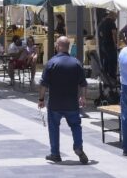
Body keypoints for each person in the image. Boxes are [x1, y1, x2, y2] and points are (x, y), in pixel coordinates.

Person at [38, 36, 89, 164]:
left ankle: (55, 154)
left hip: (55, 103)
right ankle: (78, 147)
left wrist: (41, 99)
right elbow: (83, 83)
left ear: (58, 46)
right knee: (76, 126)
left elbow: (44, 84)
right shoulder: (76, 63)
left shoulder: (51, 62)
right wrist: (83, 97)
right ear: (68, 47)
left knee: (54, 127)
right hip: (72, 103)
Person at [97, 11, 119, 79]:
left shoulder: (101, 23)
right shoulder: (111, 22)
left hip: (103, 44)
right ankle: (112, 77)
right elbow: (114, 33)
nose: (116, 19)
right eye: (116, 17)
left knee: (106, 61)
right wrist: (115, 43)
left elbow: (100, 34)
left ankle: (106, 77)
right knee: (112, 61)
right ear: (112, 16)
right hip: (110, 44)